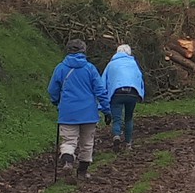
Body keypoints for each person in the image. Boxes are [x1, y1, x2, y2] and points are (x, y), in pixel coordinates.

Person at [47, 39, 107, 177]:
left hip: (68, 112)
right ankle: (82, 172)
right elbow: (100, 90)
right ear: (83, 51)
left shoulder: (61, 68)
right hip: (89, 113)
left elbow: (52, 90)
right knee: (87, 143)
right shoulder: (90, 68)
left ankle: (68, 161)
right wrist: (106, 109)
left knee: (69, 141)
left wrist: (57, 102)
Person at [100, 42, 145, 148]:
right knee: (129, 118)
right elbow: (140, 78)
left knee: (117, 118)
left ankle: (116, 135)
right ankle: (128, 143)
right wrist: (141, 94)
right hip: (132, 92)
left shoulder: (111, 64)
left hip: (117, 93)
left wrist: (102, 102)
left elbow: (103, 82)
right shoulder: (133, 63)